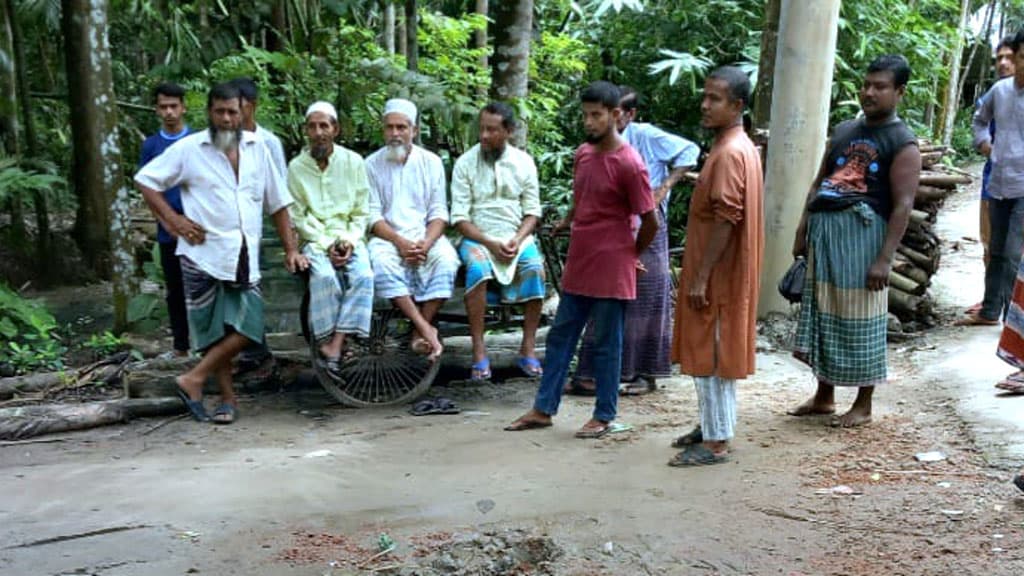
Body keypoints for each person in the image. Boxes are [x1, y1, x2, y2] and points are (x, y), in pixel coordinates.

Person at [134, 82, 307, 424]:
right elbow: (146, 180)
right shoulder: (189, 149)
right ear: (209, 113)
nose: (227, 119)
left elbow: (279, 203)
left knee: (249, 327)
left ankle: (193, 378)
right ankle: (227, 400)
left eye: (233, 112)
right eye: (220, 112)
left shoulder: (259, 149)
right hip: (202, 254)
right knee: (215, 332)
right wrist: (173, 221)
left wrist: (291, 249)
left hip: (244, 253)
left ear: (244, 112)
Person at [504, 81, 659, 438]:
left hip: (612, 263)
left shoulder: (630, 164)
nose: (589, 122)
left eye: (597, 115)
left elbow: (649, 219)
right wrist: (568, 220)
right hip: (581, 257)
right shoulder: (583, 154)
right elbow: (581, 194)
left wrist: (630, 255)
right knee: (562, 336)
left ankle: (604, 414)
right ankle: (543, 409)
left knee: (606, 342)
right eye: (585, 115)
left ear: (616, 115)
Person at [788, 55, 921, 428]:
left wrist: (884, 258)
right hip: (826, 233)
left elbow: (903, 205)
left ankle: (863, 404)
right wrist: (803, 227)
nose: (869, 92)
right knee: (824, 312)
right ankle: (824, 396)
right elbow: (819, 181)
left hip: (864, 238)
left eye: (880, 86)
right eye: (866, 84)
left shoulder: (902, 141)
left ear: (899, 92)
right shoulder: (845, 129)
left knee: (861, 317)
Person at [572, 86, 699, 396]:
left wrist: (666, 186)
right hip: (615, 232)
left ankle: (645, 373)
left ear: (629, 114)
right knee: (603, 300)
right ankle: (594, 372)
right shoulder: (595, 146)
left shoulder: (646, 136)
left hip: (649, 228)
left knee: (647, 300)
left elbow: (690, 151)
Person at [667, 67, 764, 466]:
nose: (705, 105)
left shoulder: (728, 154)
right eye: (705, 97)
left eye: (715, 99)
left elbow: (728, 217)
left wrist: (703, 276)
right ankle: (712, 426)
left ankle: (717, 440)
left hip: (720, 276)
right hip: (727, 272)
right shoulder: (741, 147)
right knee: (712, 349)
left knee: (711, 352)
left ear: (737, 106)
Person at [450, 102, 545, 381]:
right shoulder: (465, 163)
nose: (484, 136)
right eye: (482, 129)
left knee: (535, 269)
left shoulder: (524, 163)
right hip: (478, 236)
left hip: (517, 236)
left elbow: (532, 212)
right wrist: (490, 243)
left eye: (492, 130)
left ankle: (527, 348)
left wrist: (517, 238)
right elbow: (460, 218)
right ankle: (479, 351)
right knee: (477, 271)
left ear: (509, 131)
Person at [365, 98, 458, 359]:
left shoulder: (431, 162)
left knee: (448, 261)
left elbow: (439, 212)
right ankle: (424, 328)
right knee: (381, 263)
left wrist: (426, 244)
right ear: (383, 129)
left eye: (401, 127)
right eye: (390, 127)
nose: (395, 134)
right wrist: (400, 242)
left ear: (414, 131)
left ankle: (419, 329)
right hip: (388, 238)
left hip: (425, 236)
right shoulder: (371, 164)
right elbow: (372, 216)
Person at [287, 101, 374, 377]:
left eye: (324, 125)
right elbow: (298, 217)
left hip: (350, 237)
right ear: (306, 131)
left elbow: (362, 211)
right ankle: (328, 342)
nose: (318, 132)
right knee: (324, 277)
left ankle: (335, 345)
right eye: (312, 126)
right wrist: (327, 245)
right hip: (314, 241)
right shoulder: (296, 168)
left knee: (365, 276)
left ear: (335, 129)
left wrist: (347, 241)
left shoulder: (353, 162)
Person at [960, 34, 1024, 327]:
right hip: (998, 182)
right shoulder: (999, 91)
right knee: (995, 249)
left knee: (1012, 252)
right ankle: (990, 311)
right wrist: (984, 144)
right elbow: (979, 120)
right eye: (1020, 57)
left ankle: (1015, 323)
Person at [230, 77, 285, 370]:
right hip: (234, 228)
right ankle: (251, 344)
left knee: (255, 284)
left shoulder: (269, 142)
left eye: (238, 107)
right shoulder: (224, 141)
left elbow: (280, 188)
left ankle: (258, 346)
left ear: (251, 107)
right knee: (240, 286)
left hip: (263, 224)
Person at [139, 82, 192, 358]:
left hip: (198, 228)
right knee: (175, 290)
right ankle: (181, 347)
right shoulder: (151, 145)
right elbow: (148, 188)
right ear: (157, 110)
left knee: (204, 288)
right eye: (164, 107)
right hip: (168, 231)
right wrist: (167, 223)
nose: (169, 112)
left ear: (183, 107)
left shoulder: (197, 140)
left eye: (174, 106)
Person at [231, 77, 288, 177]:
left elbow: (280, 183)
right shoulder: (222, 140)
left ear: (252, 105)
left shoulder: (269, 142)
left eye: (239, 105)